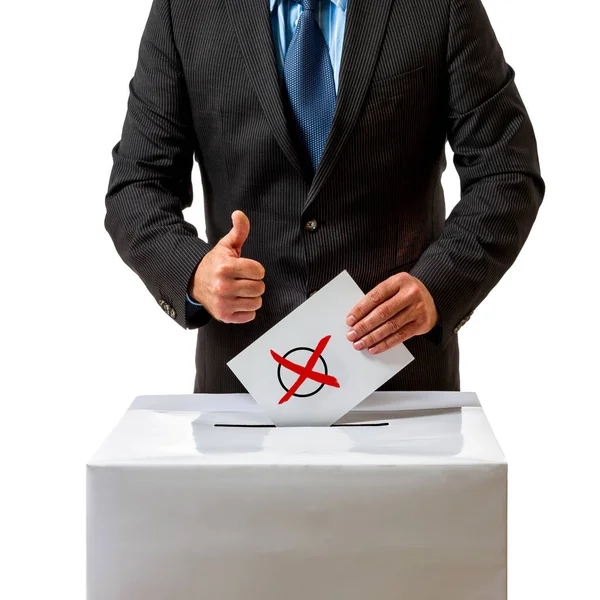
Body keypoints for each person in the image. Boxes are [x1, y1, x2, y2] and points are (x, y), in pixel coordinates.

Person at [105, 0, 545, 393]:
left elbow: (506, 171)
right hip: (243, 391)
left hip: (402, 381)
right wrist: (195, 273)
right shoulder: (183, 10)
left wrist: (437, 286)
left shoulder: (441, 6)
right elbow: (138, 185)